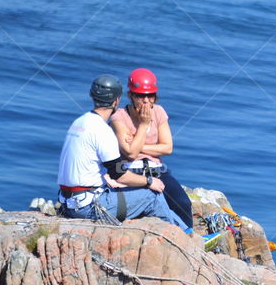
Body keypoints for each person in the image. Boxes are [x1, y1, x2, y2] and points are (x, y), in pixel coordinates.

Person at [56, 74, 196, 232]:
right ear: (117, 100)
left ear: (92, 96)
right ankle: (185, 236)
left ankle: (183, 231)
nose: (146, 100)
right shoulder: (102, 130)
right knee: (151, 196)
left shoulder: (79, 122)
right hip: (88, 206)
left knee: (171, 198)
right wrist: (149, 182)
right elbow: (120, 173)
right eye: (140, 96)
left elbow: (107, 168)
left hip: (68, 202)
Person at [109, 68, 193, 227]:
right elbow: (130, 155)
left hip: (156, 168)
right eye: (141, 96)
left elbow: (167, 148)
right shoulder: (119, 117)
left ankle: (190, 237)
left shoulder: (159, 112)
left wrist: (136, 144)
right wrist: (144, 125)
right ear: (131, 96)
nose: (146, 101)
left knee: (181, 202)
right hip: (129, 169)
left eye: (150, 96)